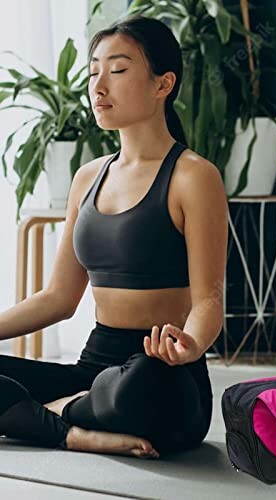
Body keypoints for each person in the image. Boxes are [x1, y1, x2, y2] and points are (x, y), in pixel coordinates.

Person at [0, 14, 228, 460]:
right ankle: (72, 429)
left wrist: (190, 346)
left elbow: (209, 301)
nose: (99, 86)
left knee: (139, 385)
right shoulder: (88, 177)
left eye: (118, 71)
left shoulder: (193, 177)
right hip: (93, 369)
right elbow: (58, 299)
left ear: (163, 84)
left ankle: (44, 415)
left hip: (161, 373)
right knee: (105, 386)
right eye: (93, 73)